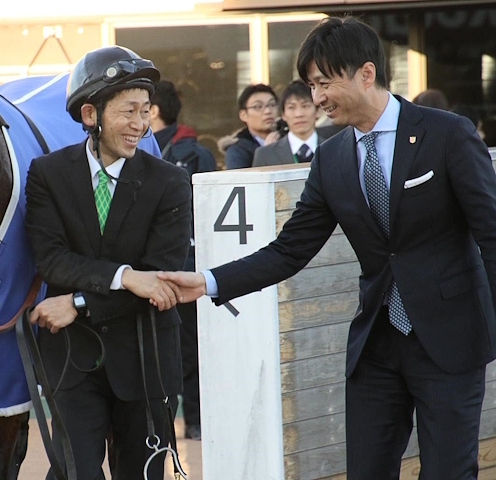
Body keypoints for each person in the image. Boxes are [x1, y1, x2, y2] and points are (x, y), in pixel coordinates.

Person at [159, 16, 496, 480]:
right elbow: (289, 250)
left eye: (323, 82)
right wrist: (208, 281)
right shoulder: (332, 158)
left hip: (449, 342)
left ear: (365, 73)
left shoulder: (447, 134)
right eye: (309, 85)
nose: (315, 98)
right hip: (376, 348)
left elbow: (492, 234)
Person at [24, 46, 192, 480]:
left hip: (146, 356)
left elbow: (162, 282)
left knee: (139, 473)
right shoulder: (47, 174)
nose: (140, 125)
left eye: (146, 111)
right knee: (74, 472)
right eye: (128, 111)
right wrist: (125, 276)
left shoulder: (171, 183)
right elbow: (52, 259)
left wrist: (77, 303)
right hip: (71, 359)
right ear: (89, 114)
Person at [149, 79, 216, 441]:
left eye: (142, 107)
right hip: (145, 273)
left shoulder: (193, 153)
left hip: (187, 269)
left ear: (154, 111)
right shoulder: (136, 151)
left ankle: (194, 420)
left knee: (189, 349)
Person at [253, 80, 325, 167]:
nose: (299, 114)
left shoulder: (334, 149)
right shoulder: (265, 155)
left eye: (305, 106)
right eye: (291, 107)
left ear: (318, 111)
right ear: (283, 115)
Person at [217, 84, 278, 169]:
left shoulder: (287, 139)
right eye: (258, 106)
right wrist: (265, 153)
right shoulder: (237, 151)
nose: (268, 111)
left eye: (272, 105)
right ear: (243, 115)